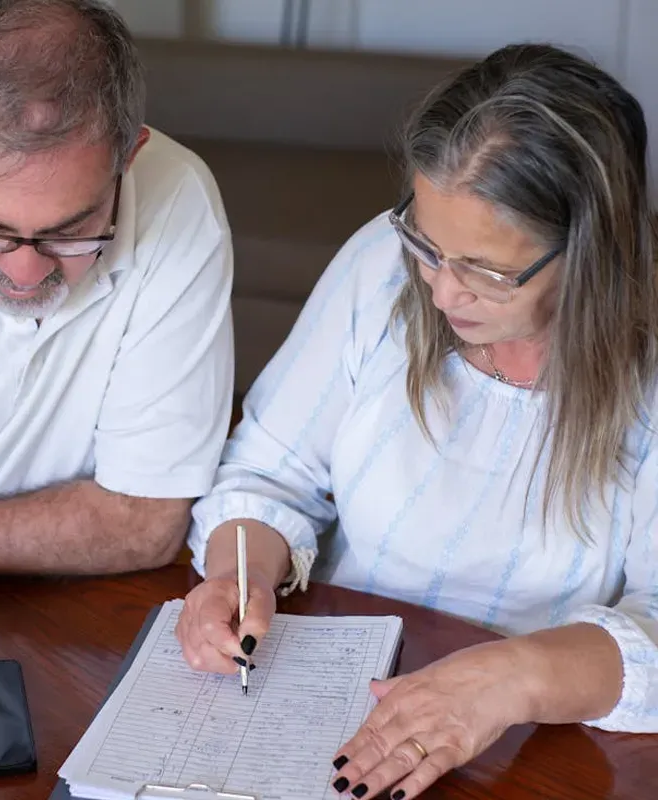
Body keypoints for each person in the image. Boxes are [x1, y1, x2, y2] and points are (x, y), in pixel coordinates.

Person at [176, 42, 658, 800]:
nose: (441, 293)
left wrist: (508, 679)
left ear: (592, 249)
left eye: (488, 271)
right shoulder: (382, 262)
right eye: (428, 247)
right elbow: (271, 470)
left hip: (545, 747)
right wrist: (238, 575)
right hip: (330, 688)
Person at [0, 0, 233, 691]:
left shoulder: (177, 198)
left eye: (73, 228)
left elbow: (145, 520)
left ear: (131, 154)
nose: (25, 273)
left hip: (84, 617)